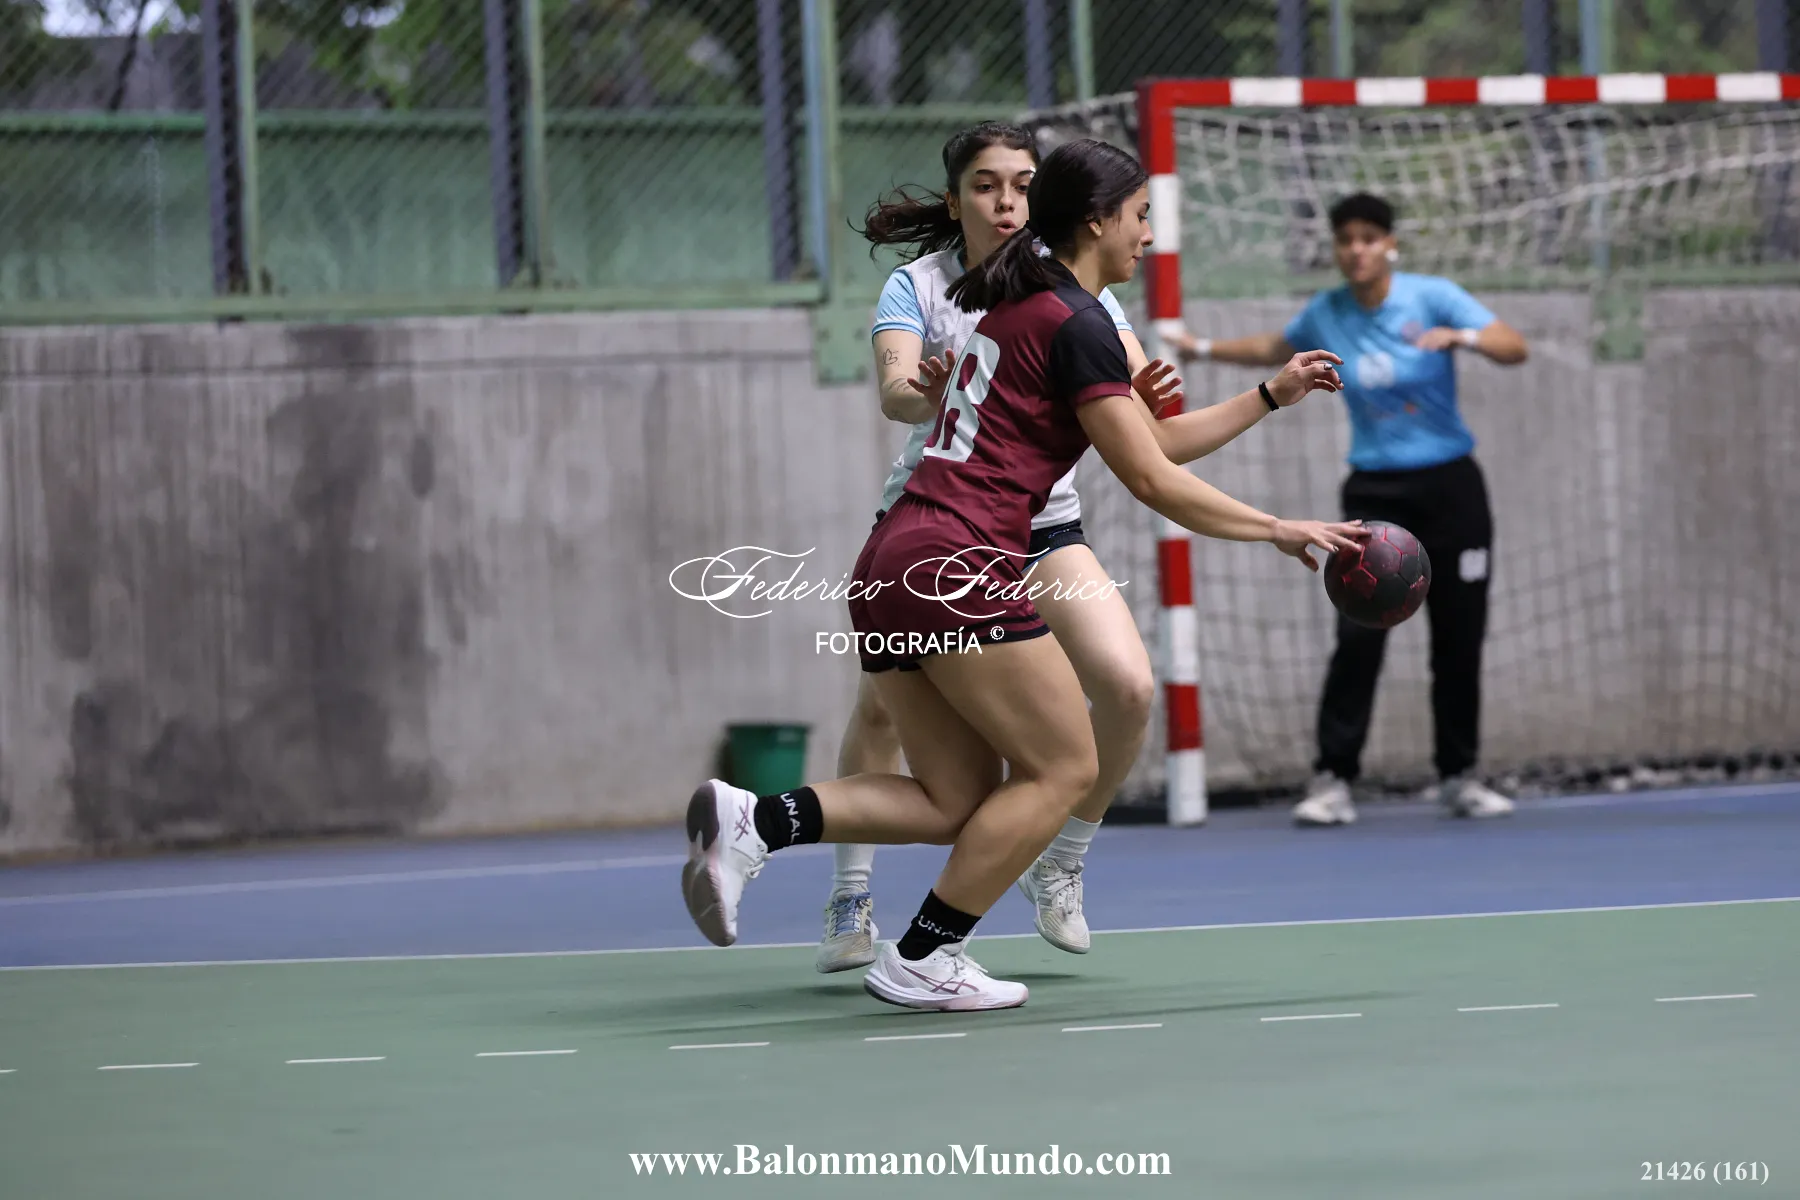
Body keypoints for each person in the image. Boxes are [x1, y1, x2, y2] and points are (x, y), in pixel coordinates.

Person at [680, 137, 1365, 1012]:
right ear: (1097, 221)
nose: (1148, 235)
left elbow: (1153, 441)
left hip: (897, 554)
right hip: (959, 560)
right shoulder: (1074, 321)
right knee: (1066, 766)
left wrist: (1268, 395)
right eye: (1140, 216)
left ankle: (756, 822)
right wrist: (1277, 527)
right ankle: (925, 955)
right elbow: (1151, 478)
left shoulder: (1029, 302)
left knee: (954, 799)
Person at [817, 121, 1160, 974]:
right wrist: (923, 392)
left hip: (1042, 528)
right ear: (954, 199)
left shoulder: (1076, 285)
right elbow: (896, 392)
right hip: (938, 522)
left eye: (1022, 184)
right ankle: (851, 895)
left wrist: (1151, 392)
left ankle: (1062, 858)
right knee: (880, 712)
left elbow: (1133, 398)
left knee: (1126, 687)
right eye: (985, 184)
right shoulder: (918, 285)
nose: (1006, 201)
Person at [1166, 192, 1530, 827]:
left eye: (1368, 237)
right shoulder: (1327, 312)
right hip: (1374, 495)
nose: (1357, 249)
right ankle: (1333, 778)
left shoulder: (1433, 297)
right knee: (1358, 636)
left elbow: (1512, 345)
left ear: (1390, 244)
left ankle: (1459, 776)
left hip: (1451, 487)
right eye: (1345, 240)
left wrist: (1464, 336)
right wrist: (1198, 347)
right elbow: (1273, 346)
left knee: (1459, 635)